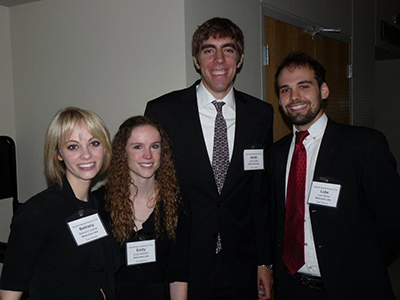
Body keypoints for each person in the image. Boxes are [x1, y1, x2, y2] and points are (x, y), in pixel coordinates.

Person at [145, 17, 274, 299]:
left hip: (241, 259)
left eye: (228, 50)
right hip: (183, 258)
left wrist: (264, 261)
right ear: (196, 59)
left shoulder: (260, 115)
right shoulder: (163, 111)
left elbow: (259, 193)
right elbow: (150, 184)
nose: (219, 59)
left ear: (239, 60)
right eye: (208, 50)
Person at [268, 50, 400, 300]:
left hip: (353, 288)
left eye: (303, 86)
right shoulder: (275, 154)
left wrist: (363, 267)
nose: (294, 96)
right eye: (285, 90)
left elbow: (392, 221)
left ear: (324, 91)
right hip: (291, 288)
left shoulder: (363, 145)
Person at [0, 107, 119, 300]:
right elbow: (10, 292)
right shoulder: (37, 212)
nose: (86, 154)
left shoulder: (99, 205)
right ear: (58, 154)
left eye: (94, 143)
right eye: (73, 146)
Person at [94, 116, 189, 300]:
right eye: (138, 147)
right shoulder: (99, 204)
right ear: (123, 152)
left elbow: (179, 274)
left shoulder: (176, 205)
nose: (148, 155)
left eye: (155, 146)